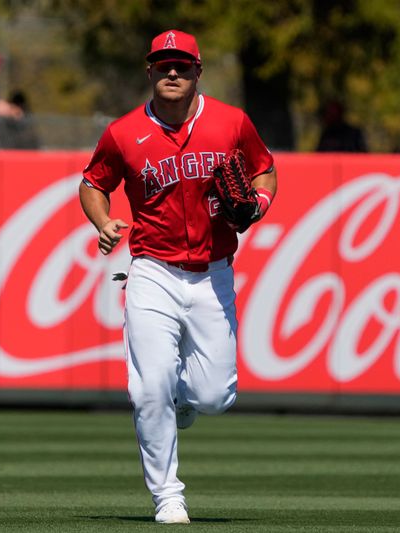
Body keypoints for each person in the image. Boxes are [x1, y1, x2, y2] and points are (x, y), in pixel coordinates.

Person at [79, 29, 277, 524]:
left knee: (216, 395)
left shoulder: (231, 122)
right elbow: (92, 183)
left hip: (213, 274)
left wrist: (259, 204)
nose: (172, 73)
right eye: (163, 65)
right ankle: (168, 495)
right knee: (148, 387)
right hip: (152, 272)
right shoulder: (124, 132)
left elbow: (265, 170)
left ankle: (184, 399)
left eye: (182, 66)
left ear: (197, 72)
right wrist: (103, 222)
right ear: (149, 71)